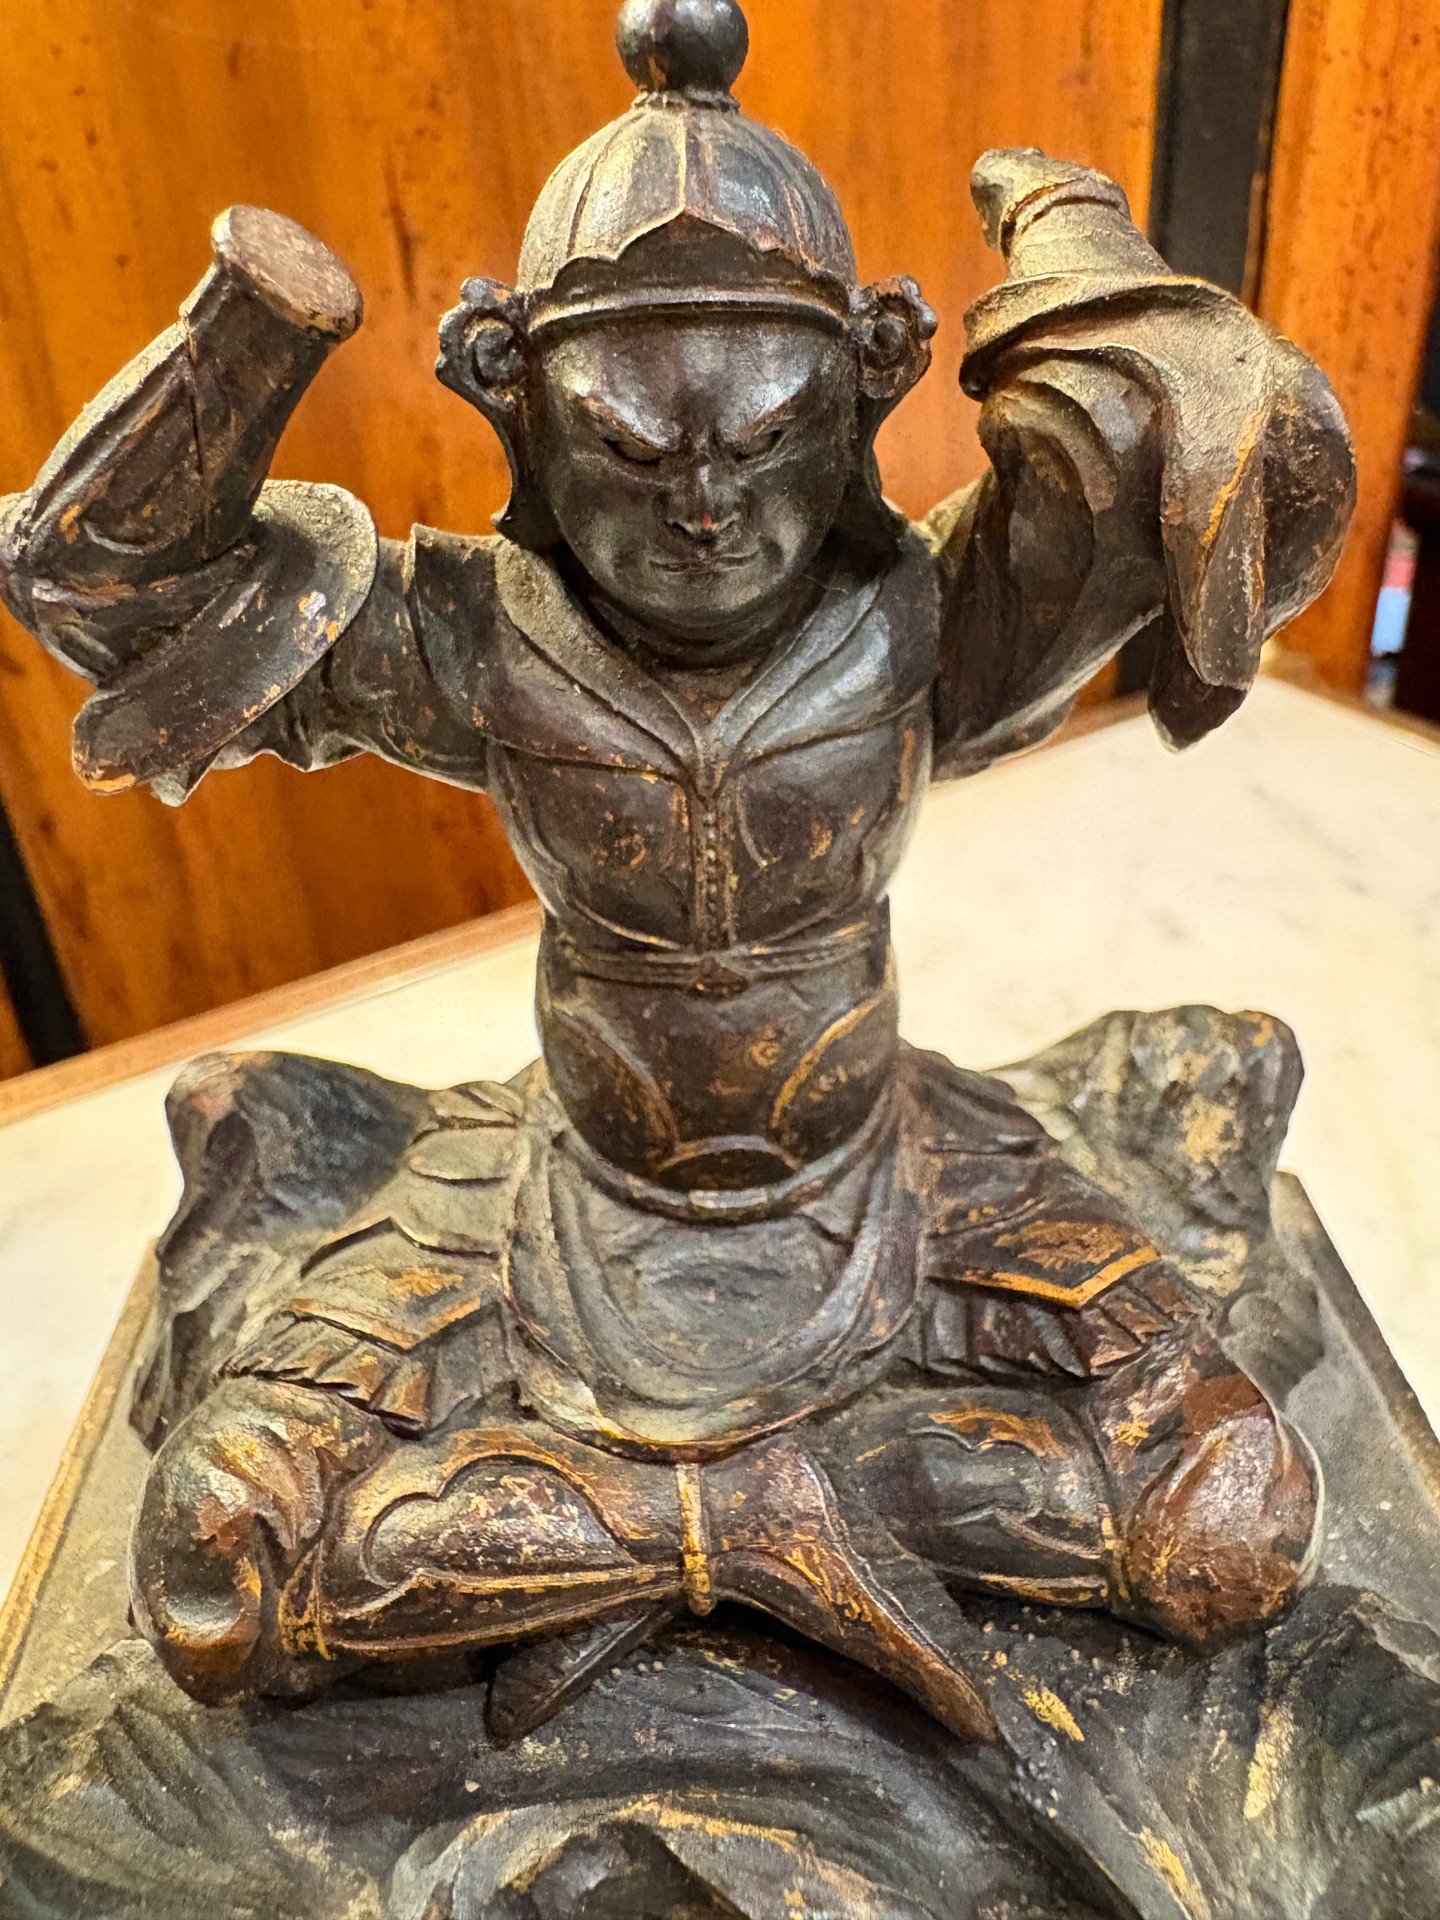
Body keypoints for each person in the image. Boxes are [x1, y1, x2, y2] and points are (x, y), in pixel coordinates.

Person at [0, 0, 1345, 1737]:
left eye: (765, 440)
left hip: (894, 1172)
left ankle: (667, 1526)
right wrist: (252, 332)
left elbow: (1181, 463)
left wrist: (1075, 238)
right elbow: (110, 590)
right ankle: (745, 1528)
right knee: (218, 1554)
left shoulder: (931, 615)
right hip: (555, 1195)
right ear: (517, 402)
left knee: (1236, 1509)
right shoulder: (472, 633)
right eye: (633, 453)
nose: (704, 506)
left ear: (863, 393)